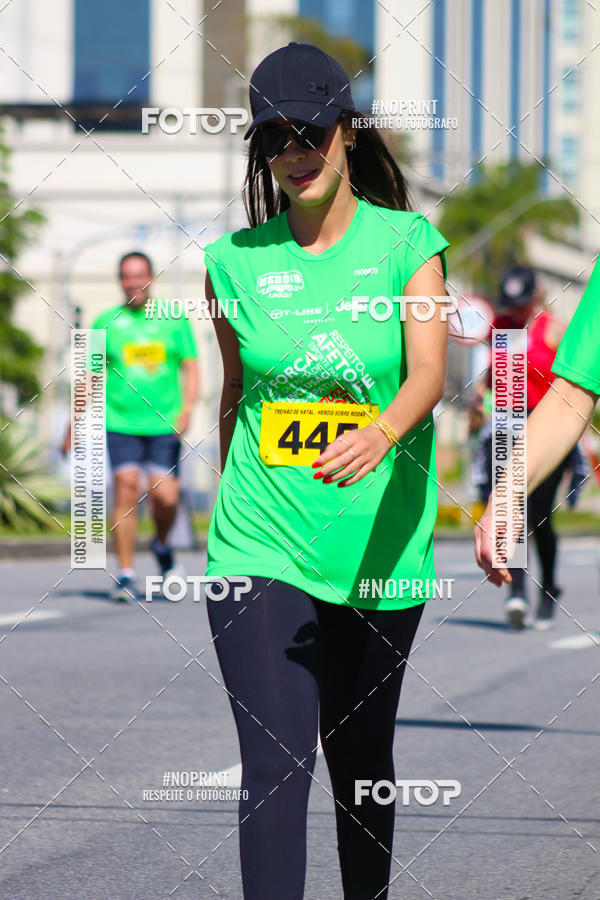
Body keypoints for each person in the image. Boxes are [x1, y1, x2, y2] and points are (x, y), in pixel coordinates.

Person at [202, 42, 450, 900]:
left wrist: (381, 434)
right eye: (273, 139)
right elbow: (237, 394)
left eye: (308, 133)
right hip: (259, 540)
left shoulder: (409, 244)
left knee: (360, 760)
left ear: (348, 131)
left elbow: (430, 372)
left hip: (379, 550)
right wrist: (221, 502)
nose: (293, 154)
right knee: (273, 764)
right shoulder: (232, 262)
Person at [62, 251, 199, 601]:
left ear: (151, 278)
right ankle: (125, 573)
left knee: (165, 496)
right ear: (119, 281)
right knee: (125, 487)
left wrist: (187, 409)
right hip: (119, 421)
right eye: (126, 276)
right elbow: (90, 375)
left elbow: (191, 366)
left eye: (139, 275)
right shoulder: (106, 320)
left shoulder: (173, 318)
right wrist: (73, 424)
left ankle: (162, 545)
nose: (133, 283)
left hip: (164, 422)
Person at [474, 258, 600, 605]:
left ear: (536, 297)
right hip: (505, 423)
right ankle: (515, 590)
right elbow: (494, 373)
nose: (514, 313)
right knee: (511, 505)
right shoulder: (498, 327)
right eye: (509, 306)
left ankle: (548, 589)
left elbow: (577, 388)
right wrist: (480, 400)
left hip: (545, 423)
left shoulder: (553, 329)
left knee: (539, 514)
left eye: (521, 305)